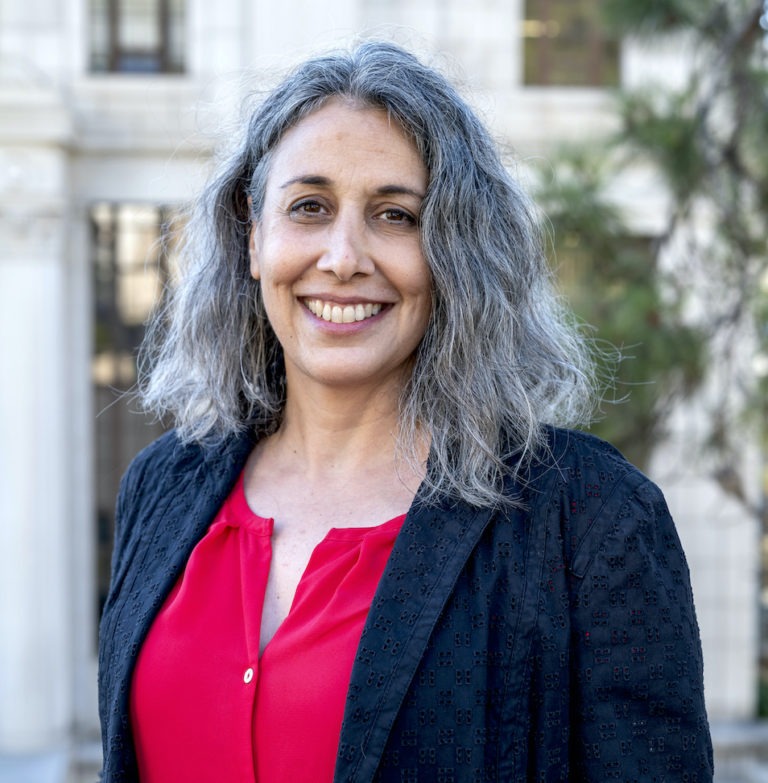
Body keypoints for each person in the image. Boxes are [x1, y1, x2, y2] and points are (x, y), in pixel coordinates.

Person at [97, 40, 713, 782]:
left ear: (454, 250)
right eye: (309, 207)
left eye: (395, 215)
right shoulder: (161, 486)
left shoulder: (589, 519)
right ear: (253, 234)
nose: (344, 255)